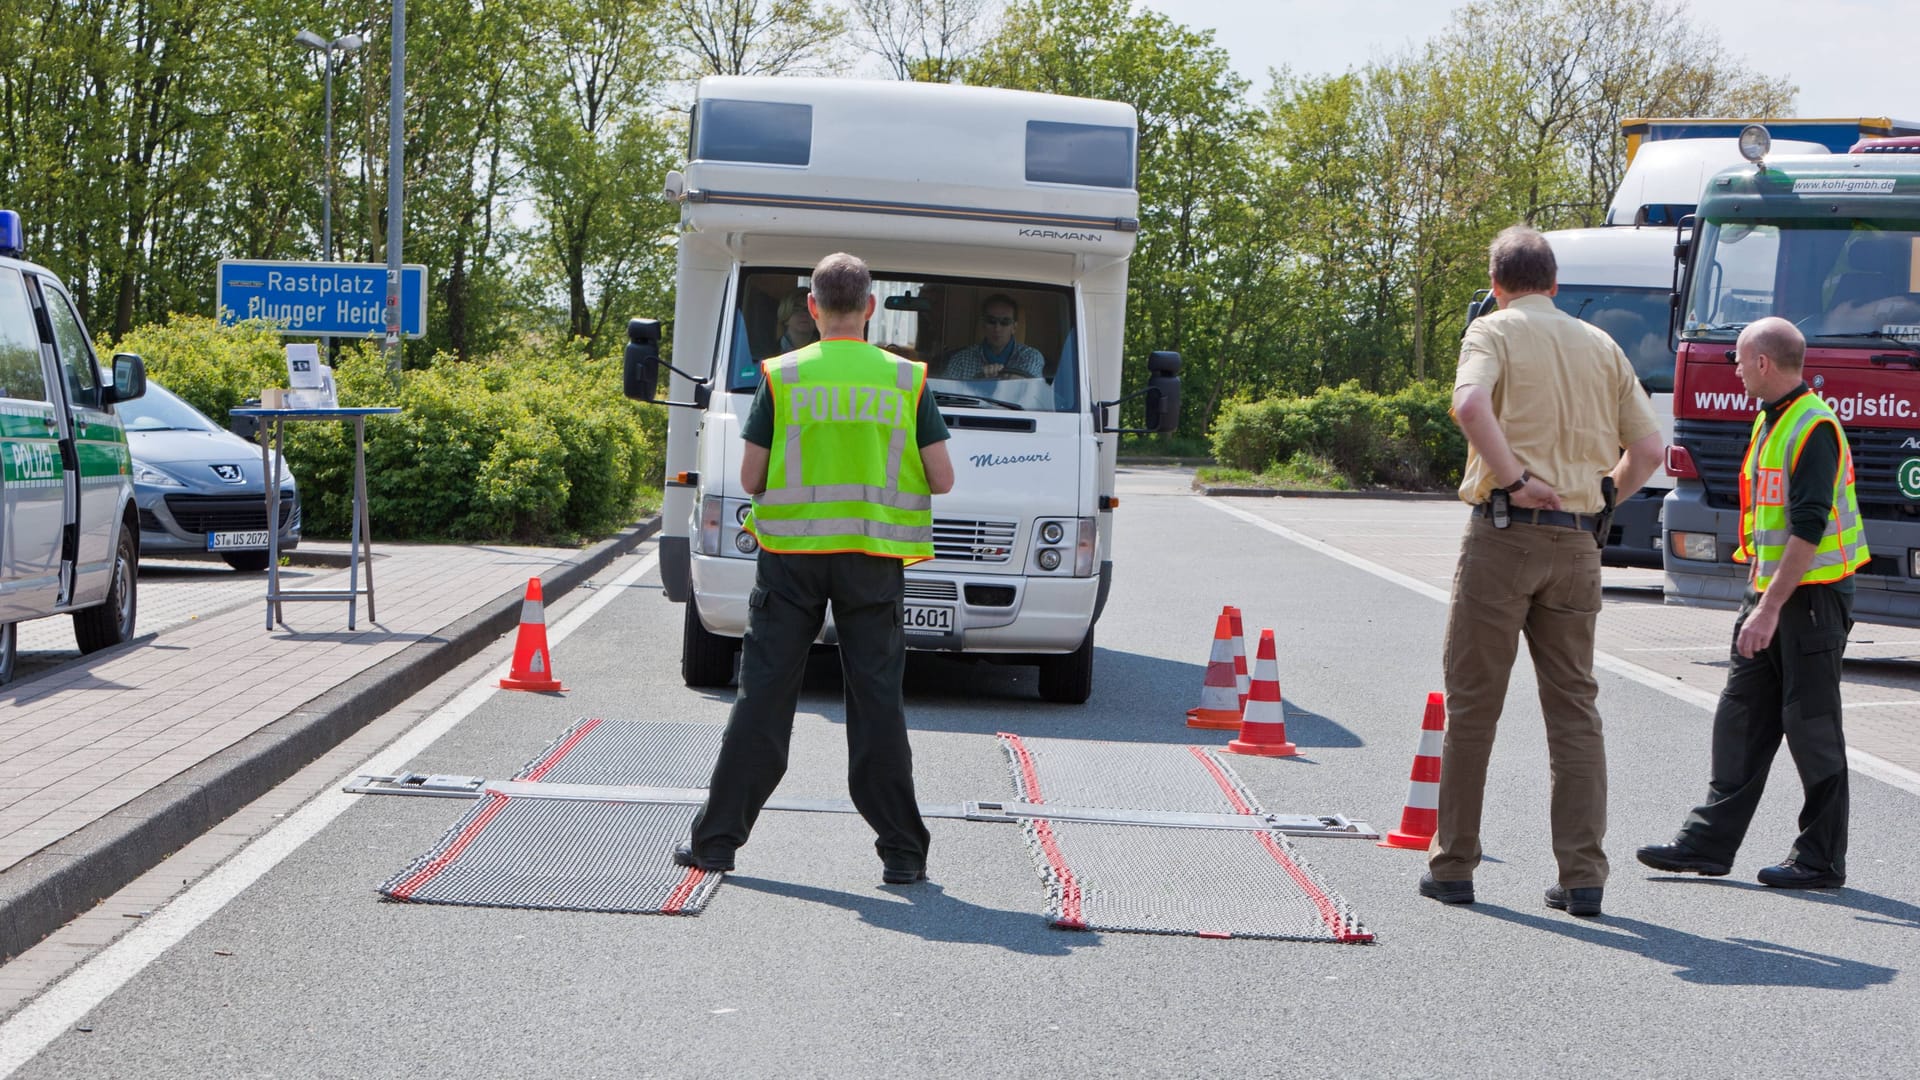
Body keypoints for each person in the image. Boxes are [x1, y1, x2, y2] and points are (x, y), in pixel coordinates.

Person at [675, 252, 956, 885]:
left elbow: (750, 477)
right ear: (871, 309)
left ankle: (717, 842)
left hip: (791, 562)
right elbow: (941, 477)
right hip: (872, 562)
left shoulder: (783, 376)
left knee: (765, 699)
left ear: (811, 308)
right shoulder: (905, 380)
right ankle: (903, 854)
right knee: (877, 702)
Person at [1420, 224, 1663, 918]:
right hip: (1579, 543)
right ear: (1556, 284)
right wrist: (1606, 494)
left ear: (1496, 285)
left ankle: (1454, 865)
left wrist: (1514, 476)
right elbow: (1648, 448)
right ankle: (1582, 874)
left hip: (1503, 536)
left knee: (1473, 707)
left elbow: (1469, 405)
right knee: (1575, 712)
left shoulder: (1492, 332)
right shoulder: (1601, 344)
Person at [1636, 317, 1866, 890]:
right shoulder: (1774, 418)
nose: (1734, 371)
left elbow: (1809, 529)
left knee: (1811, 729)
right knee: (1740, 718)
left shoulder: (1812, 425)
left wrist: (1767, 608)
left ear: (1764, 362)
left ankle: (1820, 860)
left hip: (1809, 601)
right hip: (1771, 594)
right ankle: (1707, 844)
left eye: (1739, 360)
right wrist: (1760, 600)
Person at [942, 294, 1043, 379]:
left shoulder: (1031, 357)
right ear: (983, 324)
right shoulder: (961, 360)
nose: (997, 328)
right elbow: (945, 395)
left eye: (1005, 322)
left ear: (1014, 328)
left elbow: (1030, 394)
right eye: (991, 321)